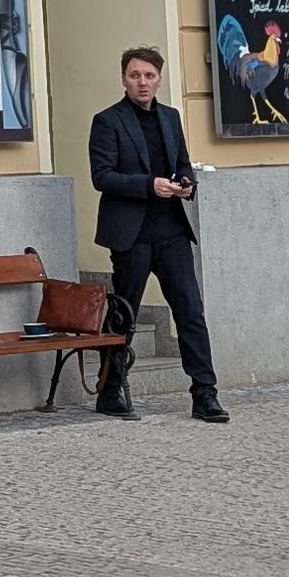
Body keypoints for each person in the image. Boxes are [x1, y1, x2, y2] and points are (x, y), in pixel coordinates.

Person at [88, 46, 226, 423]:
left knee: (190, 312)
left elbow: (182, 163)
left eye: (149, 76)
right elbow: (102, 176)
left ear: (159, 79)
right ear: (123, 79)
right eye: (135, 75)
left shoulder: (170, 117)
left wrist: (185, 183)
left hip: (172, 231)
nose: (142, 82)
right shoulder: (107, 121)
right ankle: (110, 389)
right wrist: (149, 185)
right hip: (131, 234)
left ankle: (205, 394)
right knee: (123, 314)